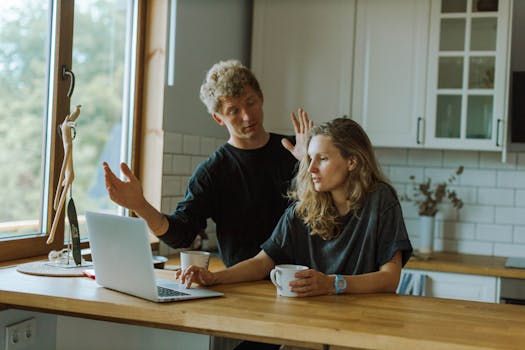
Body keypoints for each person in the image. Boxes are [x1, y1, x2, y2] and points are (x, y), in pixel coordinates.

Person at [103, 59, 312, 267]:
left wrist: (308, 164)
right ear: (219, 118)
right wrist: (140, 206)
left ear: (261, 98)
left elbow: (333, 209)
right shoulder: (213, 172)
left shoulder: (296, 150)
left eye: (250, 102)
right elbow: (182, 234)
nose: (247, 116)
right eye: (234, 111)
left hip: (304, 278)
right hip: (243, 285)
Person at [180, 118, 413, 299]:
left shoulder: (380, 200)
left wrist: (332, 283)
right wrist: (214, 278)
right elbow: (262, 262)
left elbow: (390, 278)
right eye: (309, 158)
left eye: (322, 158)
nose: (310, 168)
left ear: (352, 162)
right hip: (312, 318)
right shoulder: (304, 208)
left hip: (364, 319)